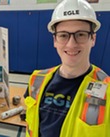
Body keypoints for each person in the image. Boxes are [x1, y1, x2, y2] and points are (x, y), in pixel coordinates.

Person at [24, 0, 110, 137]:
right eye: (63, 35)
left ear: (93, 39)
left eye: (80, 34)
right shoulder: (36, 80)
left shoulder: (108, 89)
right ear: (55, 40)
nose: (71, 44)